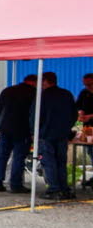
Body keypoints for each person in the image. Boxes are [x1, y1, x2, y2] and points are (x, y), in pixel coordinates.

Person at [0, 74, 37, 193]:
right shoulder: (34, 93)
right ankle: (15, 184)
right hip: (23, 130)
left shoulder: (8, 90)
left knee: (1, 156)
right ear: (34, 83)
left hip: (4, 129)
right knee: (19, 157)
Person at [34, 72, 78, 200]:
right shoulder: (66, 94)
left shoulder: (41, 96)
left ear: (45, 81)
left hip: (46, 134)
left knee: (49, 162)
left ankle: (53, 188)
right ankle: (64, 188)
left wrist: (35, 132)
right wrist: (66, 127)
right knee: (61, 162)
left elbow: (35, 116)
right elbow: (74, 114)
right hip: (62, 134)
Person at [78, 73, 93, 188]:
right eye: (86, 85)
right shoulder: (84, 93)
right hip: (88, 128)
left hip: (90, 121)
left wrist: (90, 116)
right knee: (90, 151)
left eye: (90, 84)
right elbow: (78, 106)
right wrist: (80, 113)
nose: (88, 87)